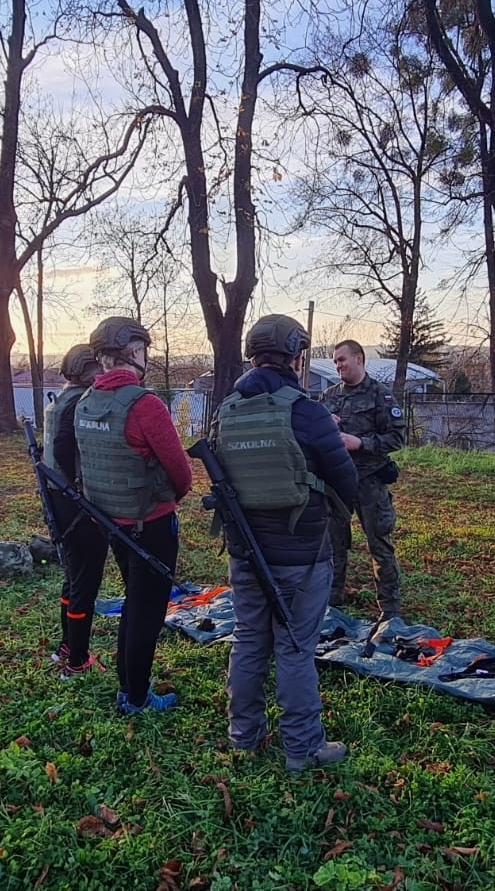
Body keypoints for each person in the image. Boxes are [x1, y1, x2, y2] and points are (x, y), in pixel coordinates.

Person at [214, 314, 359, 772]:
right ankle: (302, 749)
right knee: (295, 648)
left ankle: (244, 737)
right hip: (302, 555)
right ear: (297, 358)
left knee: (249, 640)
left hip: (244, 553)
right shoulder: (308, 412)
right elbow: (347, 484)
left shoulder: (226, 411)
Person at [76, 316, 192, 715]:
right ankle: (137, 697)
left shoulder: (85, 403)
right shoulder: (145, 405)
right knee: (148, 609)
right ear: (134, 353)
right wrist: (172, 496)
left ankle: (128, 685)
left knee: (134, 600)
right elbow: (181, 473)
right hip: (151, 522)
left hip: (112, 522)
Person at [322, 340, 406, 620]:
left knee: (379, 544)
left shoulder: (380, 396)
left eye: (342, 360)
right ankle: (333, 600)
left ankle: (389, 608)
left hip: (369, 481)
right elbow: (313, 434)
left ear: (359, 359)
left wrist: (360, 443)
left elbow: (397, 437)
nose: (338, 365)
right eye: (335, 361)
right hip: (337, 481)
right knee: (334, 544)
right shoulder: (329, 396)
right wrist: (324, 423)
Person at [43, 344, 108, 679]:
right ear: (87, 370)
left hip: (58, 502)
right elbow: (65, 447)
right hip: (77, 504)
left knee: (73, 578)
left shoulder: (61, 401)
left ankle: (67, 646)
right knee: (85, 581)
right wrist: (79, 487)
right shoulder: (80, 403)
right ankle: (78, 659)